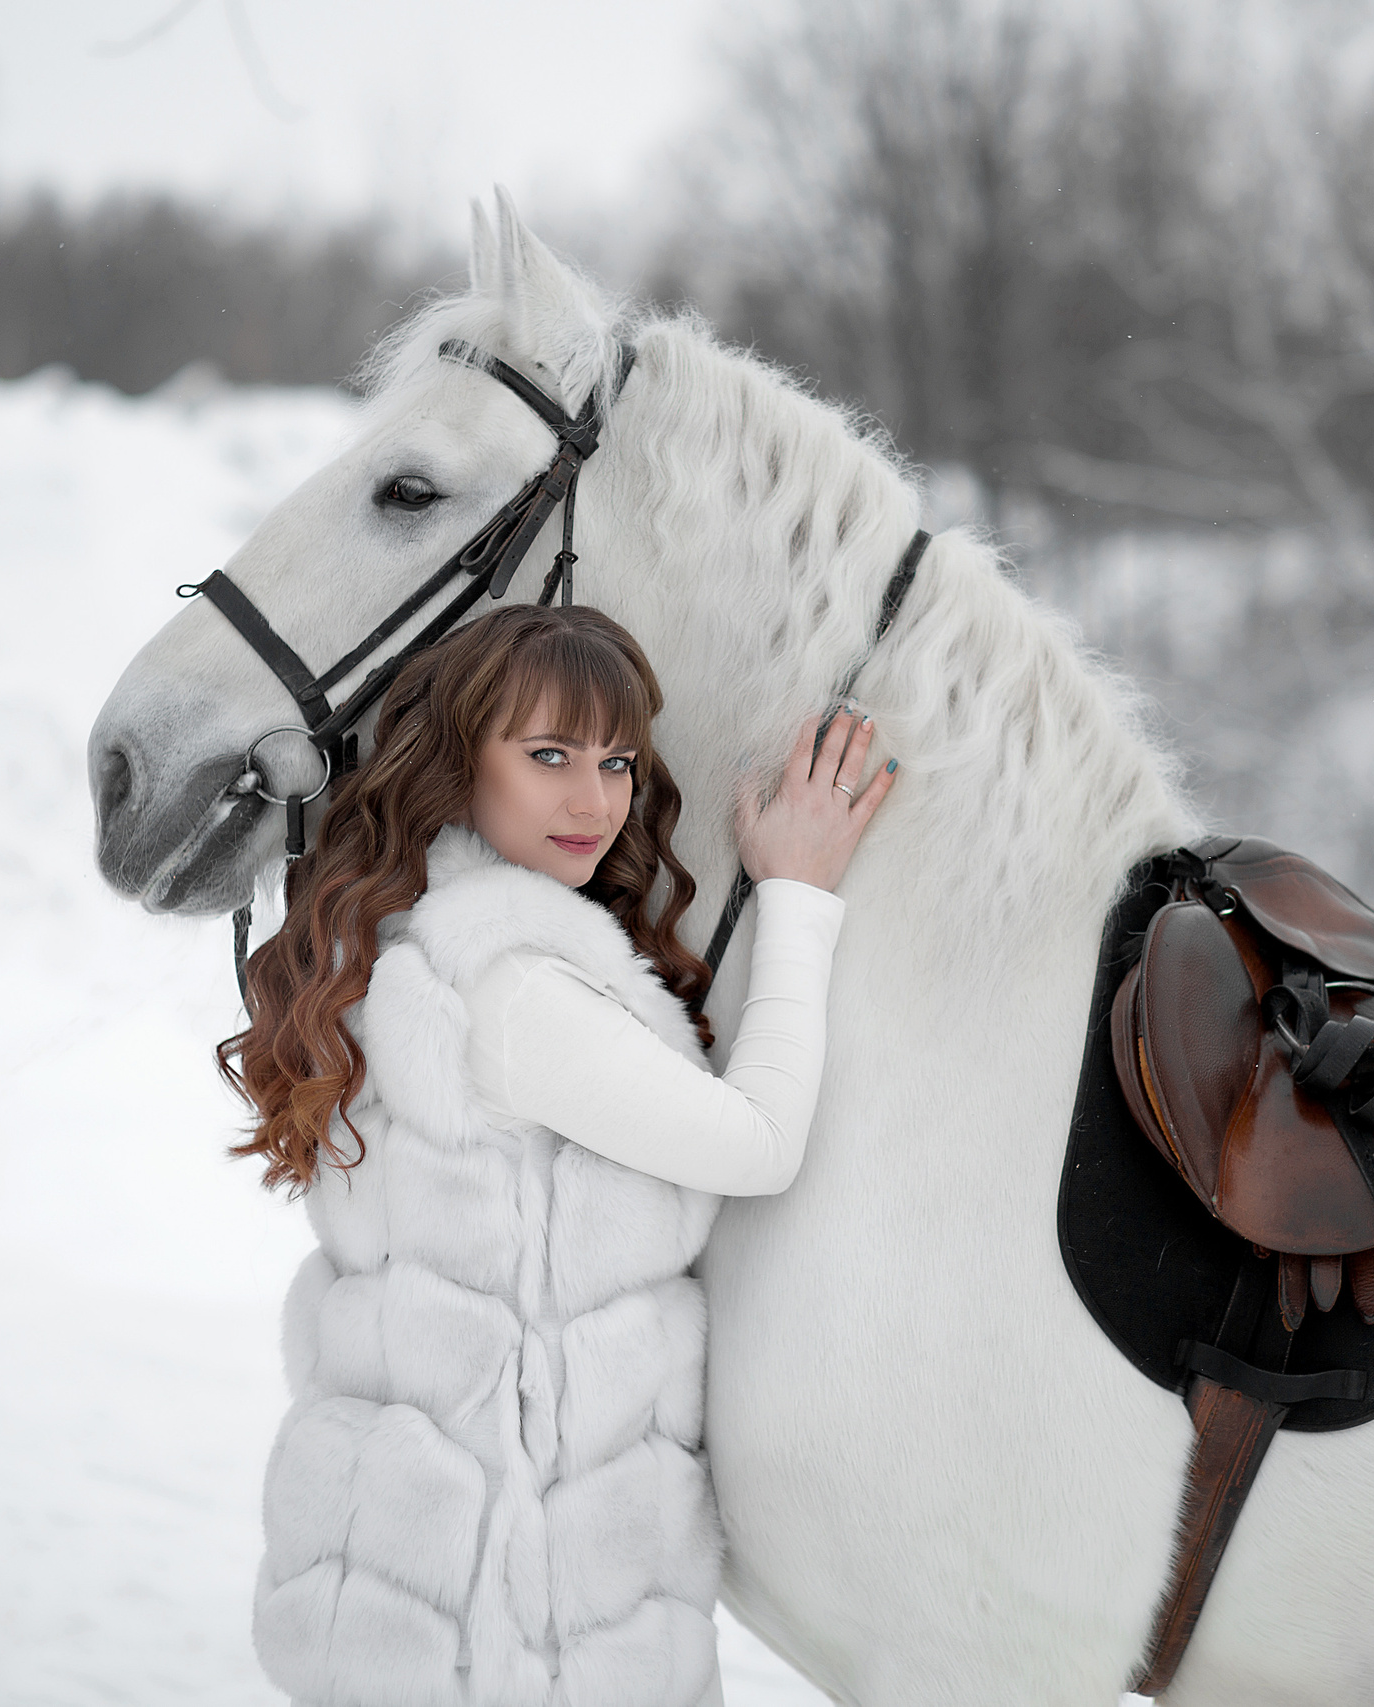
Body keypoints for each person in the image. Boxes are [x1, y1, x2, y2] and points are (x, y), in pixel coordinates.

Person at [218, 602, 894, 1707]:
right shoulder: (511, 985)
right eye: (548, 756)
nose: (596, 800)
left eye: (617, 761)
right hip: (522, 1621)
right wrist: (800, 898)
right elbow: (758, 1144)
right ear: (453, 762)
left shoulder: (396, 940)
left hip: (414, 1585)